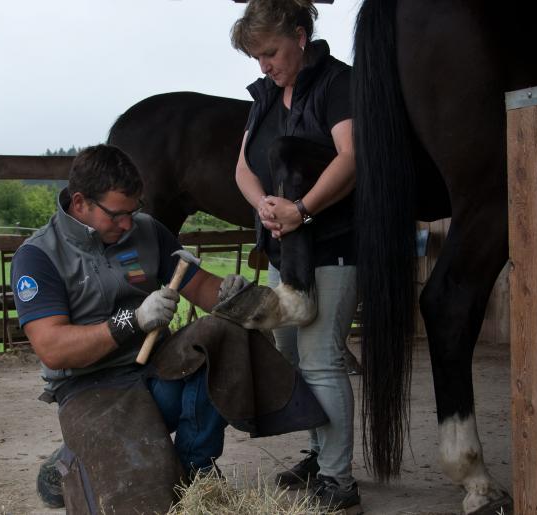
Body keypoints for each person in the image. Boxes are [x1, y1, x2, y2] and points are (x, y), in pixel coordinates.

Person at [11, 144, 249, 511]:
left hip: (155, 370)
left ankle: (195, 470)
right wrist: (132, 320)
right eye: (117, 215)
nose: (127, 224)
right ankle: (73, 456)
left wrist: (231, 295)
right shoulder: (38, 256)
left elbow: (202, 288)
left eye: (133, 211)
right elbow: (53, 347)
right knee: (135, 500)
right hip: (91, 389)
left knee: (220, 335)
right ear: (80, 204)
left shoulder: (147, 231)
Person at [230, 0, 360, 510]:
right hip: (286, 249)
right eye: (256, 57)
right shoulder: (263, 96)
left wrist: (302, 211)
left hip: (334, 244)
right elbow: (243, 168)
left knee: (322, 358)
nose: (264, 65)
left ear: (301, 36)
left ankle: (339, 481)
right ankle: (317, 453)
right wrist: (262, 202)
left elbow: (351, 158)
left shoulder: (337, 83)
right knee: (292, 357)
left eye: (270, 52)